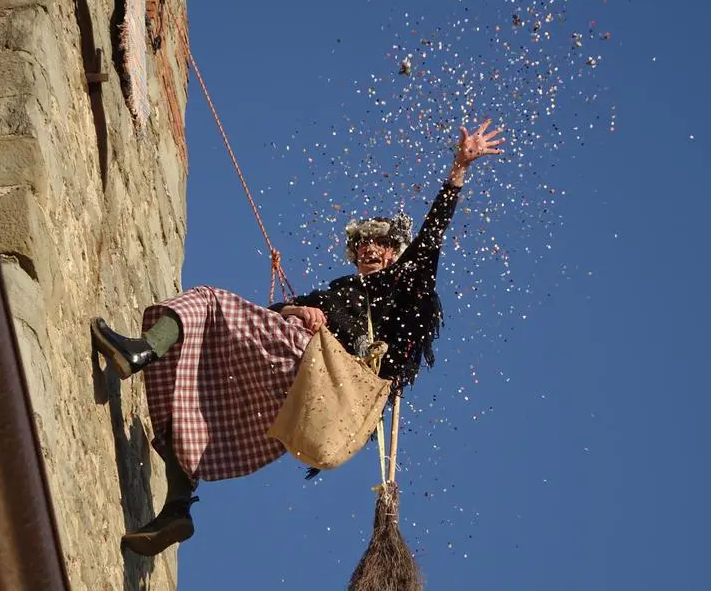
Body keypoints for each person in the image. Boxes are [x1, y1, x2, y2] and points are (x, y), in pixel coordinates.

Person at [90, 119, 503, 556]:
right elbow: (264, 315)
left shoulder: (404, 291)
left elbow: (431, 241)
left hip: (327, 387)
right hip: (291, 400)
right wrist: (295, 309)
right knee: (181, 386)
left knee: (210, 301)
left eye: (377, 242)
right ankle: (177, 509)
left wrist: (458, 169)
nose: (366, 247)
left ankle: (139, 351)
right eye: (361, 241)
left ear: (393, 251)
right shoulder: (339, 289)